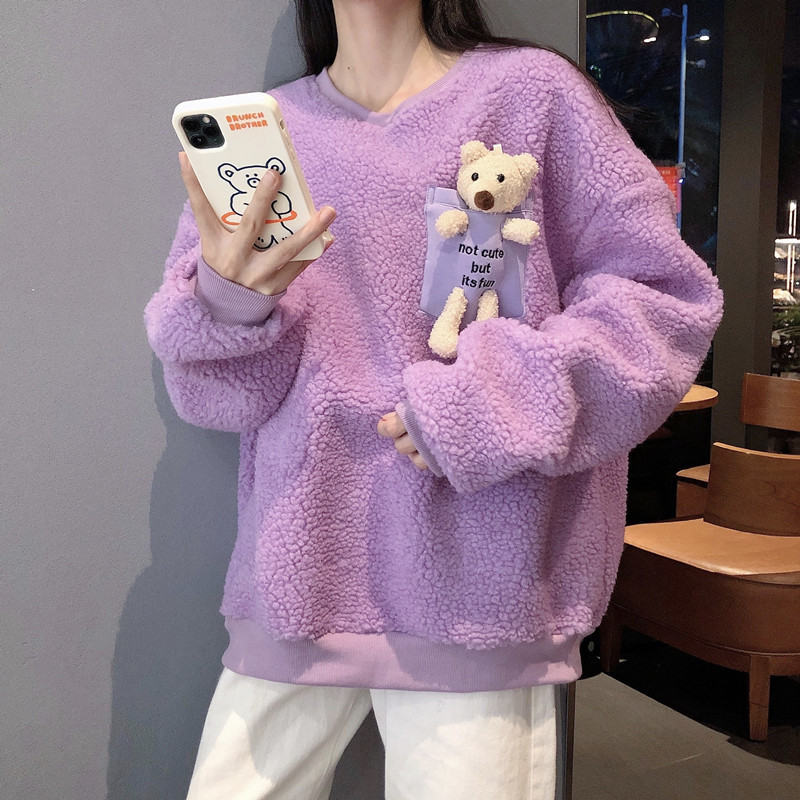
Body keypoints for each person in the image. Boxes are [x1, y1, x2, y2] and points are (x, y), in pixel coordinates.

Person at [144, 1, 724, 798]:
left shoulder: (532, 96)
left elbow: (663, 306)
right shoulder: (271, 136)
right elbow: (220, 394)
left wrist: (485, 406)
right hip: (300, 582)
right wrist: (227, 300)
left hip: (480, 599)